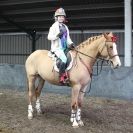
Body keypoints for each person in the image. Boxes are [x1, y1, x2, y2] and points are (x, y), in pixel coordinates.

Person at [47, 7, 75, 84]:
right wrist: (57, 36)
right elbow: (49, 37)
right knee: (64, 59)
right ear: (56, 17)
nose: (61, 18)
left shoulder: (65, 27)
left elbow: (68, 38)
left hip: (65, 47)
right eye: (59, 17)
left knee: (73, 57)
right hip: (57, 48)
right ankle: (61, 77)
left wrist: (71, 43)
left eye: (62, 17)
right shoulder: (53, 26)